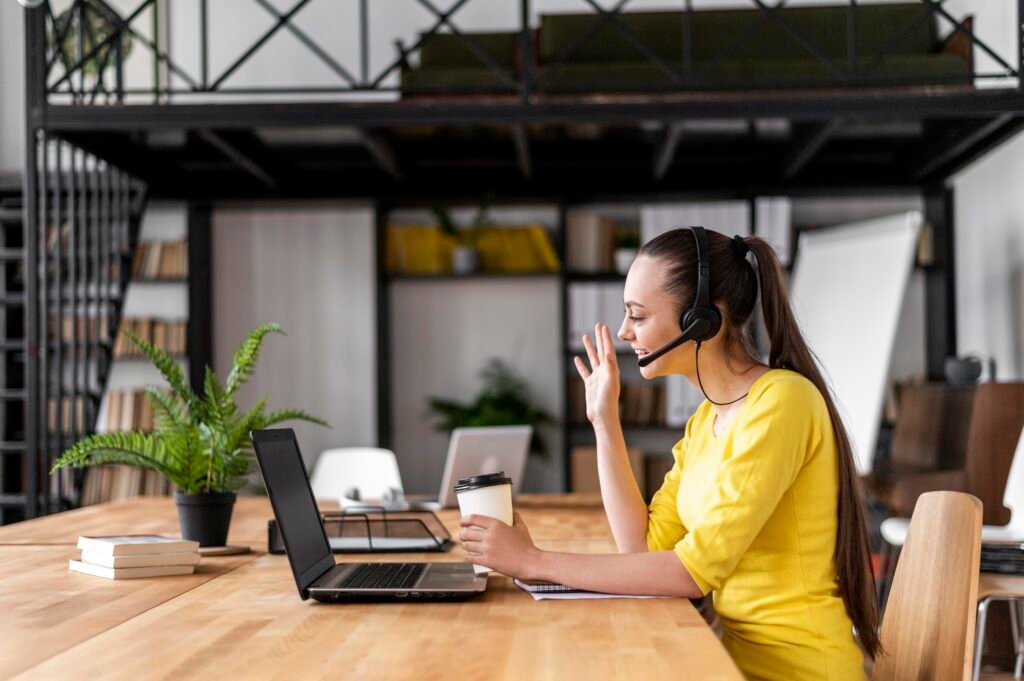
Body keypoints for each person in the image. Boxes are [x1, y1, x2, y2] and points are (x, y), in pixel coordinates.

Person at [459, 227, 879, 681]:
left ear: (701, 319)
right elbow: (642, 549)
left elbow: (690, 574)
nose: (623, 332)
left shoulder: (781, 403)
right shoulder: (706, 421)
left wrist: (533, 562)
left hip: (797, 672)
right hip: (731, 663)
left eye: (637, 316)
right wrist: (605, 422)